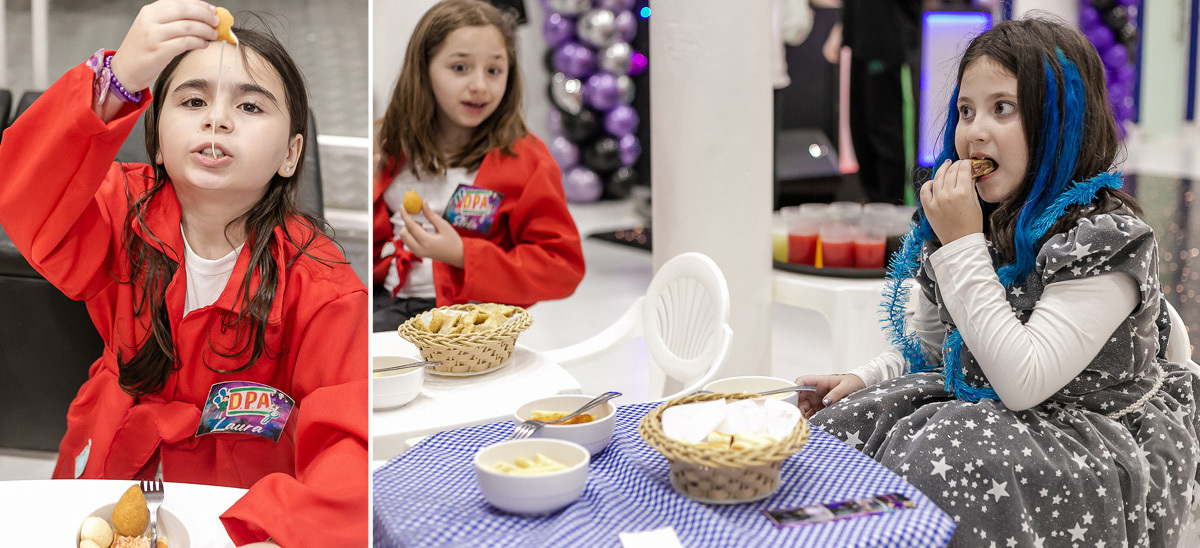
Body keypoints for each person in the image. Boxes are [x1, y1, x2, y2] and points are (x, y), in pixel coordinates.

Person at [796, 18, 1199, 546]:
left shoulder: (1102, 239)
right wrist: (867, 377)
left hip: (1089, 435)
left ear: (1061, 123)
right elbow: (940, 346)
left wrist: (962, 247)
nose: (974, 131)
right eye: (966, 111)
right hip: (995, 409)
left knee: (950, 457)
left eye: (1002, 108)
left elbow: (1024, 381)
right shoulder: (987, 218)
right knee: (840, 430)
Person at [0, 2, 367, 545]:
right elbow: (24, 198)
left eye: (249, 106)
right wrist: (116, 82)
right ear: (156, 140)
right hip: (111, 473)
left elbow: (350, 449)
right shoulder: (118, 209)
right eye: (193, 100)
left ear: (291, 155)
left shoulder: (323, 285)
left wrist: (270, 528)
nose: (216, 119)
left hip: (241, 509)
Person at [373, 0, 586, 332]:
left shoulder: (527, 159)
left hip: (469, 324)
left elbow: (562, 267)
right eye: (460, 68)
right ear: (423, 68)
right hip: (384, 306)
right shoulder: (385, 144)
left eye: (494, 70)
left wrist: (462, 255)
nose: (480, 86)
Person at [819, 0, 921, 204]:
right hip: (859, 41)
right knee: (861, 132)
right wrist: (843, 27)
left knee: (887, 135)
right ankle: (874, 203)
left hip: (891, 43)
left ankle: (896, 209)